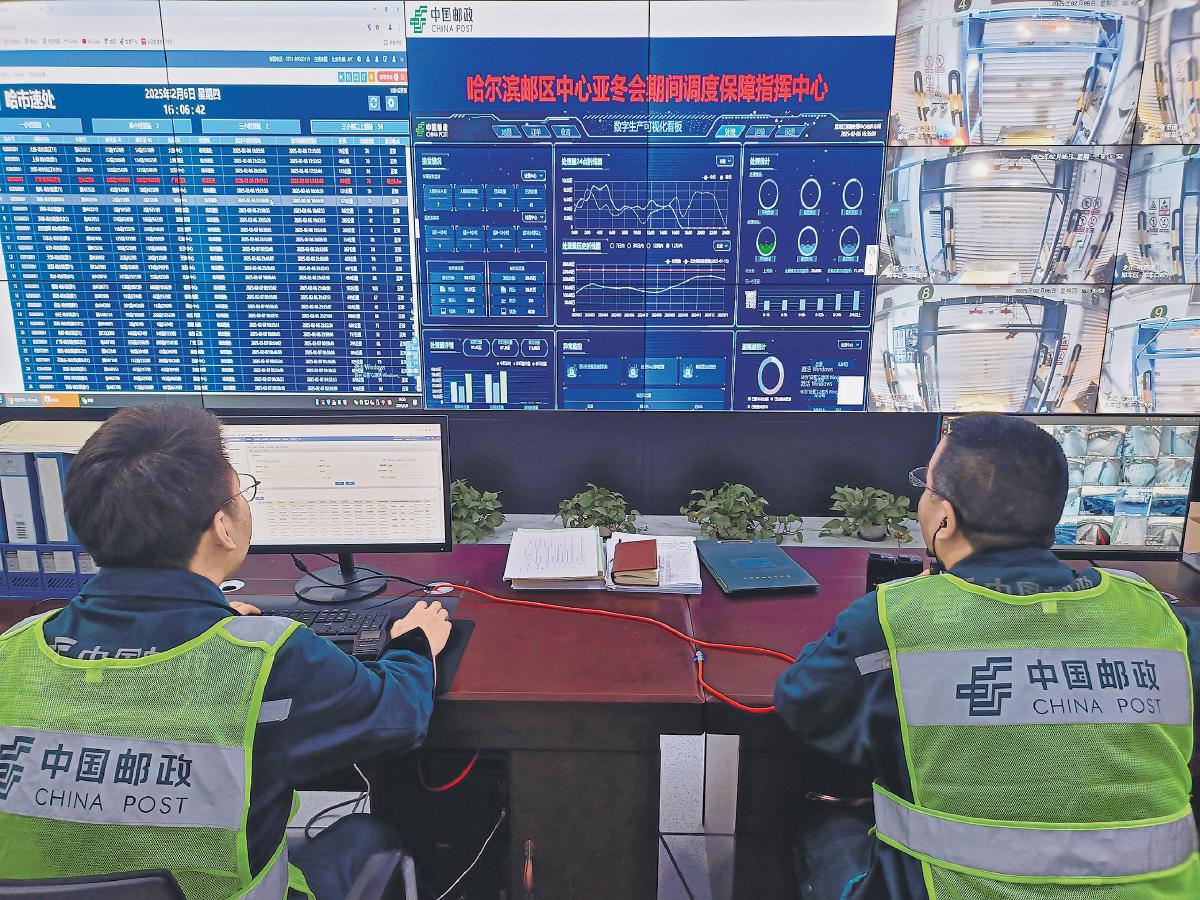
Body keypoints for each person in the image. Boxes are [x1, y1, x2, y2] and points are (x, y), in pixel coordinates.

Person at [0, 404, 452, 900]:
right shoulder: (265, 659)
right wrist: (413, 643)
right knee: (367, 835)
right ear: (222, 526)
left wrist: (210, 621)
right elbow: (399, 715)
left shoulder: (12, 651)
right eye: (243, 493)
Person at [775, 413, 1200, 898]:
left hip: (944, 888)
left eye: (925, 486)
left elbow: (802, 702)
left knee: (821, 818)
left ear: (944, 517)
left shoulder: (895, 618)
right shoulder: (1157, 617)